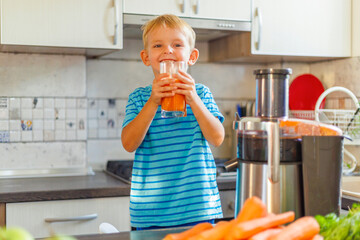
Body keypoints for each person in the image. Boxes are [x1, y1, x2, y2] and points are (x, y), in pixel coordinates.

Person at [121, 14, 225, 230]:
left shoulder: (201, 94)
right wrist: (153, 101)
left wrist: (193, 98)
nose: (167, 50)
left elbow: (217, 138)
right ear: (146, 57)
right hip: (150, 214)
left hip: (198, 209)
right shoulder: (139, 98)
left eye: (177, 44)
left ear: (192, 56)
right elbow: (129, 144)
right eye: (158, 45)